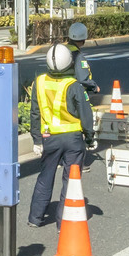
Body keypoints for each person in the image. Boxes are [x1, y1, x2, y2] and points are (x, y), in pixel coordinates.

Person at [26, 43, 97, 227]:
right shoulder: (74, 85)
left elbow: (35, 113)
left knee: (45, 176)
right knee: (71, 181)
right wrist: (89, 137)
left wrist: (36, 139)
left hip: (49, 138)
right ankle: (63, 223)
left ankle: (35, 218)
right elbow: (85, 114)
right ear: (69, 64)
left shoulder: (39, 82)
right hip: (73, 139)